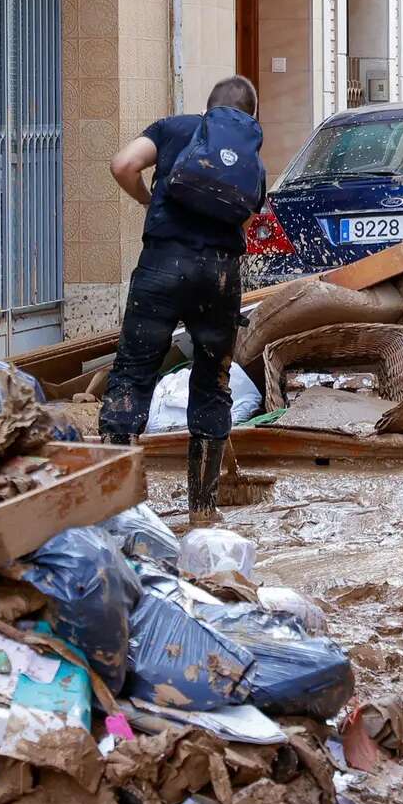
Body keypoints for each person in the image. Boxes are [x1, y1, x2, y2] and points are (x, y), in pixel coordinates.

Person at [100, 77, 266, 527]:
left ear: (208, 108)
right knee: (212, 384)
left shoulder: (172, 129)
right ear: (250, 116)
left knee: (133, 375)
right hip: (218, 276)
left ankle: (120, 508)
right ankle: (202, 512)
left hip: (161, 266)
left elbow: (122, 165)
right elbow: (249, 217)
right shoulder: (249, 158)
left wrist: (149, 200)